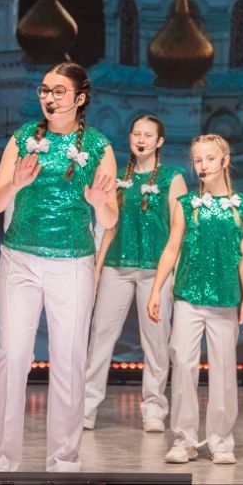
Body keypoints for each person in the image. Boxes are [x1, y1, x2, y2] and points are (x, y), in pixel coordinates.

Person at [0, 62, 117, 473]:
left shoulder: (98, 146)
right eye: (45, 90)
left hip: (72, 262)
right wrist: (16, 184)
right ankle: (3, 460)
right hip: (19, 258)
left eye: (59, 91)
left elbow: (110, 218)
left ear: (79, 98)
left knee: (69, 359)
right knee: (12, 356)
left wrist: (99, 204)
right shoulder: (23, 138)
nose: (49, 98)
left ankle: (64, 461)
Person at [148, 134, 243, 465]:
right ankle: (184, 439)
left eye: (210, 158)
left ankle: (221, 440)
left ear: (224, 161)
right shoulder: (186, 205)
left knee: (223, 369)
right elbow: (172, 248)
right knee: (182, 362)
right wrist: (156, 288)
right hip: (188, 295)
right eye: (198, 160)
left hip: (224, 298)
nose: (203, 165)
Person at [83, 114, 187, 432]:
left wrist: (174, 273)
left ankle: (154, 407)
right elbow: (107, 228)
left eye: (148, 135)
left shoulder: (172, 178)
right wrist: (97, 269)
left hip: (156, 270)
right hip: (117, 266)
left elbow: (179, 231)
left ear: (160, 141)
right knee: (101, 334)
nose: (141, 140)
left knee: (155, 340)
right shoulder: (116, 178)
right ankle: (86, 406)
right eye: (136, 134)